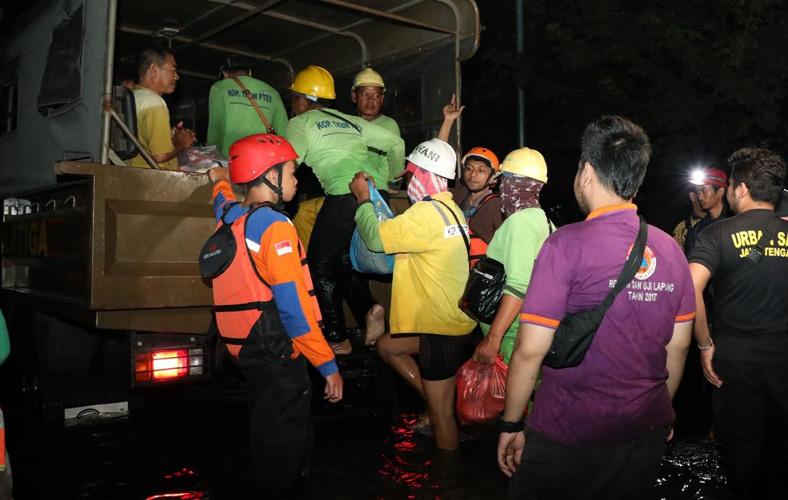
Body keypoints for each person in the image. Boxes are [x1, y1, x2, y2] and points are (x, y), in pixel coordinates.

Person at [497, 116, 695, 499]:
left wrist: (510, 423)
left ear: (586, 172)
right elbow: (678, 346)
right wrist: (660, 411)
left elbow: (529, 351)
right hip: (645, 430)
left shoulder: (565, 245)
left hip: (568, 432)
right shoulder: (671, 249)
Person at [206, 134, 343, 498]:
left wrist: (218, 178)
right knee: (285, 445)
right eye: (291, 171)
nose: (297, 180)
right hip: (280, 351)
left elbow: (222, 199)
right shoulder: (276, 227)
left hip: (248, 351)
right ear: (268, 175)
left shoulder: (231, 218)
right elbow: (293, 311)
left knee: (266, 428)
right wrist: (328, 366)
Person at [350, 138, 476, 450]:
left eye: (412, 174)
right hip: (450, 322)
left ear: (423, 174)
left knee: (443, 420)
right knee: (386, 346)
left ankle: (449, 480)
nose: (409, 180)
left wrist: (364, 200)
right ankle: (437, 399)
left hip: (440, 330)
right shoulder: (452, 210)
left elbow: (376, 239)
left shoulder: (426, 215)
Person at [688, 147, 788, 498]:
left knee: (741, 454)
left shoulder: (717, 234)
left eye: (730, 185)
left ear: (741, 189)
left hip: (735, 362)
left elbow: (691, 287)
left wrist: (704, 345)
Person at [285, 65, 405, 355]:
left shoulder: (300, 123)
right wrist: (395, 177)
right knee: (344, 262)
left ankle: (337, 337)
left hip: (342, 197)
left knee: (318, 265)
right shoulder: (350, 121)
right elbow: (396, 143)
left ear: (302, 99)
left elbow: (289, 163)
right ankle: (369, 309)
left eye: (293, 99)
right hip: (371, 196)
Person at [471, 148, 553, 366]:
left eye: (504, 180)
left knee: (510, 397)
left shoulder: (521, 222)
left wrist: (493, 338)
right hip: (526, 327)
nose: (501, 188)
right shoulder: (544, 220)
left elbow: (518, 285)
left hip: (509, 334)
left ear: (516, 184)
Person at [439, 94, 504, 263]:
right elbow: (439, 160)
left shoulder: (496, 206)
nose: (473, 174)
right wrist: (448, 121)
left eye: (481, 170)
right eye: (469, 168)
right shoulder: (461, 193)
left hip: (479, 277)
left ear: (493, 178)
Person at [128, 45, 196, 170]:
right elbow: (160, 156)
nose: (177, 77)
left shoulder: (132, 97)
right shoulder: (155, 103)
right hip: (155, 181)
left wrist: (172, 137)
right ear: (154, 69)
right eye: (173, 70)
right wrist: (182, 142)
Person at [207, 55, 288, 158]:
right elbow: (283, 133)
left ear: (224, 73)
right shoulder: (272, 92)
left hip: (232, 160)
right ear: (250, 72)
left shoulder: (219, 88)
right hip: (263, 160)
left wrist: (212, 158)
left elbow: (216, 127)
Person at [684, 167, 729, 256]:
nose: (700, 197)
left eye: (704, 190)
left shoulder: (738, 222)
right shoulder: (697, 230)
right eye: (698, 192)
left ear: (720, 192)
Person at [351, 67, 400, 136]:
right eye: (365, 94)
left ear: (382, 99)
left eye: (376, 96)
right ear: (354, 97)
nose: (371, 100)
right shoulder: (347, 125)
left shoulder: (389, 126)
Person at [672, 186, 706, 251]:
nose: (703, 196)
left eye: (705, 191)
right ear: (692, 196)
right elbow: (677, 256)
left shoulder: (717, 220)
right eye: (699, 192)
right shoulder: (681, 228)